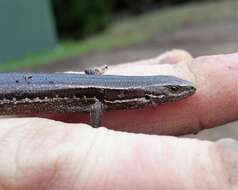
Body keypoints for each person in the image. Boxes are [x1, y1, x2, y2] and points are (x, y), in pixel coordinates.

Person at [0, 50, 237, 190]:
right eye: (173, 90)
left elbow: (92, 88)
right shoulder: (99, 100)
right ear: (149, 94)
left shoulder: (101, 98)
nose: (181, 92)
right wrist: (95, 129)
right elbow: (95, 106)